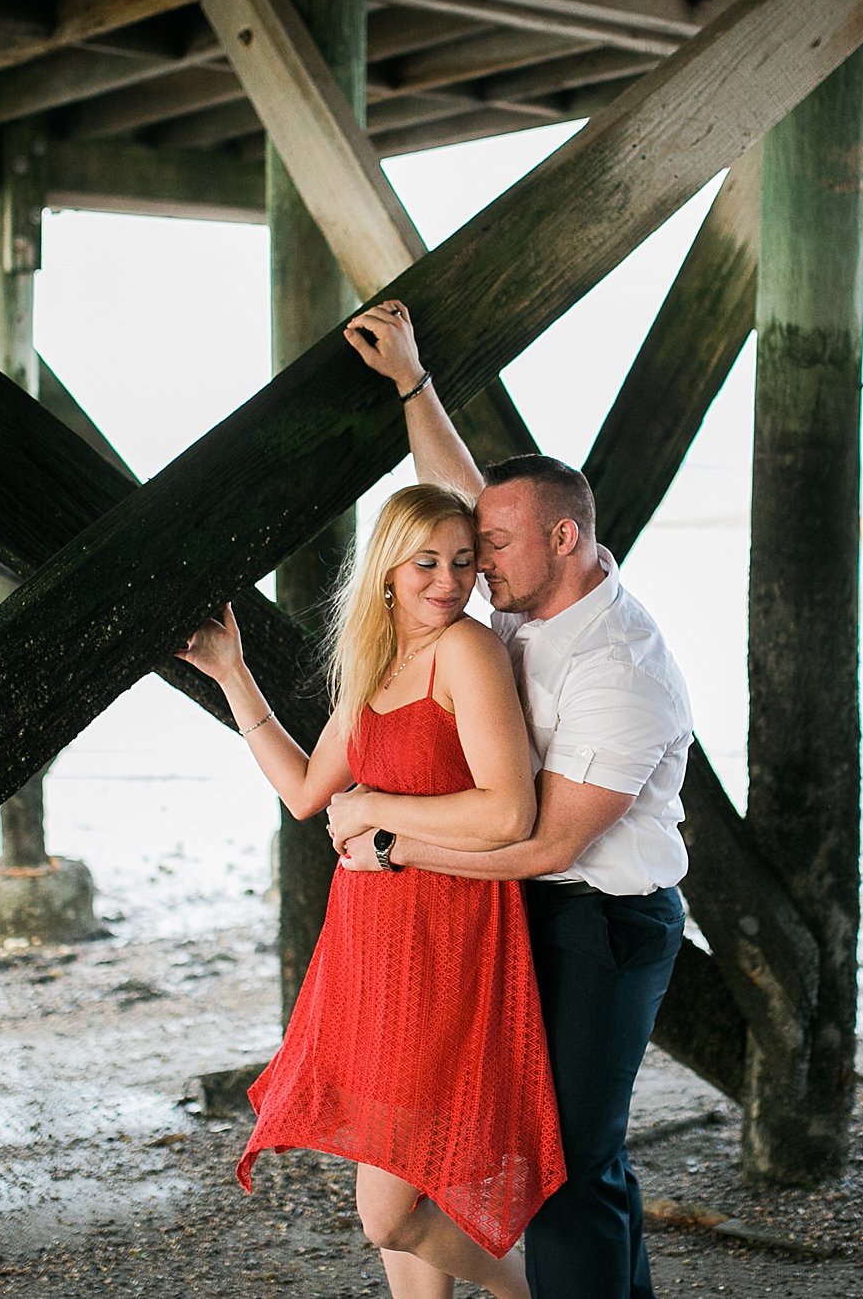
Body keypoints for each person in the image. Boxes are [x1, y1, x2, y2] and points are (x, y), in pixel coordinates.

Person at [332, 300, 694, 1299]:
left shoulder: (619, 667)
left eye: (490, 547)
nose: (471, 565)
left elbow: (542, 841)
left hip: (602, 921)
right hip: (521, 908)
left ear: (562, 537)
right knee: (553, 1156)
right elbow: (465, 491)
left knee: (570, 1170)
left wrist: (393, 841)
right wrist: (413, 381)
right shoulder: (530, 589)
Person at [177, 483, 565, 1299]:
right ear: (386, 570)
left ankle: (528, 1290)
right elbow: (306, 792)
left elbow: (509, 811)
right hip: (373, 942)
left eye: (463, 562)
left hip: (447, 934)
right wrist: (232, 671)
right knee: (396, 1160)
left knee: (387, 1210)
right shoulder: (377, 662)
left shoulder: (467, 651)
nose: (448, 582)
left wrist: (379, 808)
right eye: (426, 562)